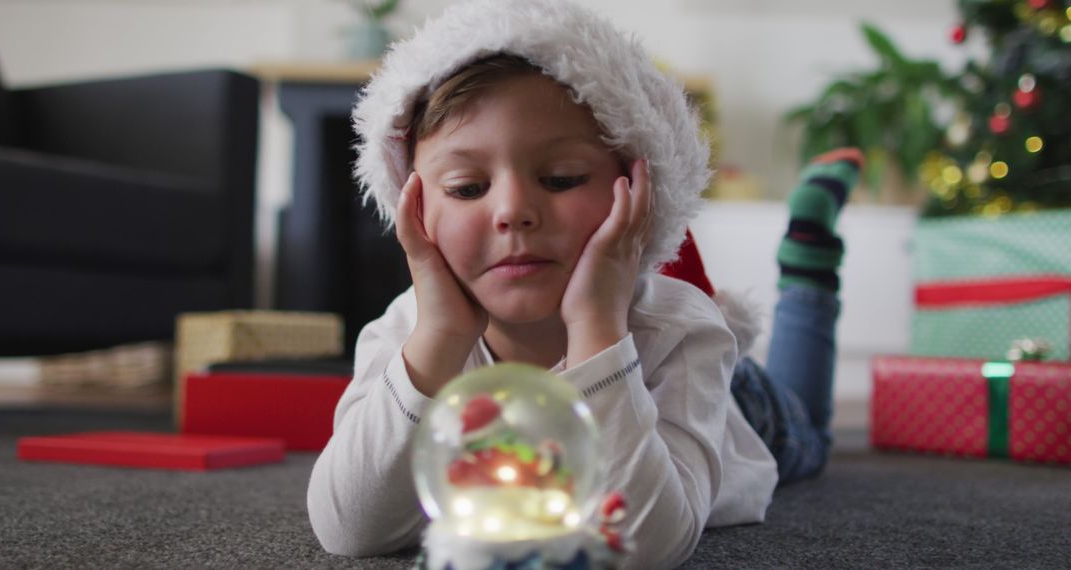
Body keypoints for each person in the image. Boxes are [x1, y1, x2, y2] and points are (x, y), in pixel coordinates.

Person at [307, 0, 861, 567]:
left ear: (640, 190)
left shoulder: (681, 333)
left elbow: (647, 545)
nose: (513, 211)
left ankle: (808, 270)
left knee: (811, 437)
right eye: (468, 187)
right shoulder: (406, 333)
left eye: (561, 178)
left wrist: (596, 327)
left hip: (734, 406)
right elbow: (349, 530)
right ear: (414, 209)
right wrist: (441, 338)